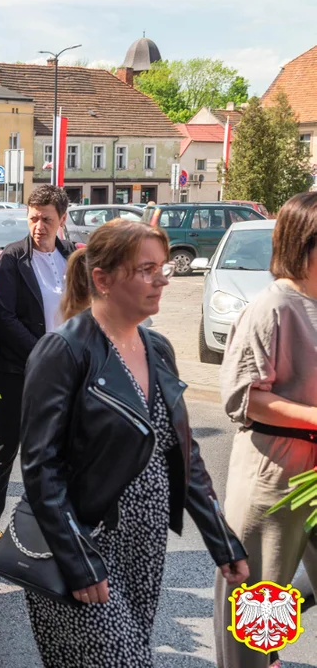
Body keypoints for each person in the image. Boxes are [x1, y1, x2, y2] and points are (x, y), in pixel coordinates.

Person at [21, 219, 247, 667]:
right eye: (146, 269)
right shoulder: (64, 351)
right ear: (102, 280)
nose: (163, 279)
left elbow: (181, 451)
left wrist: (222, 540)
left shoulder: (157, 347)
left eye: (162, 267)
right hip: (85, 542)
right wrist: (79, 558)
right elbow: (39, 468)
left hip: (144, 545)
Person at [214, 192, 317, 668]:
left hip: (308, 476)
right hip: (275, 479)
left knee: (279, 602)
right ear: (307, 245)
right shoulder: (272, 307)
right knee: (260, 620)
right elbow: (243, 397)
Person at [0, 186, 76, 546]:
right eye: (33, 217)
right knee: (6, 444)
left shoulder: (71, 256)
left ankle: (55, 518)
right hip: (17, 369)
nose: (39, 225)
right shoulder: (12, 259)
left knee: (59, 445)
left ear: (62, 220)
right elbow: (4, 317)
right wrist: (43, 351)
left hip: (64, 371)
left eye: (47, 219)